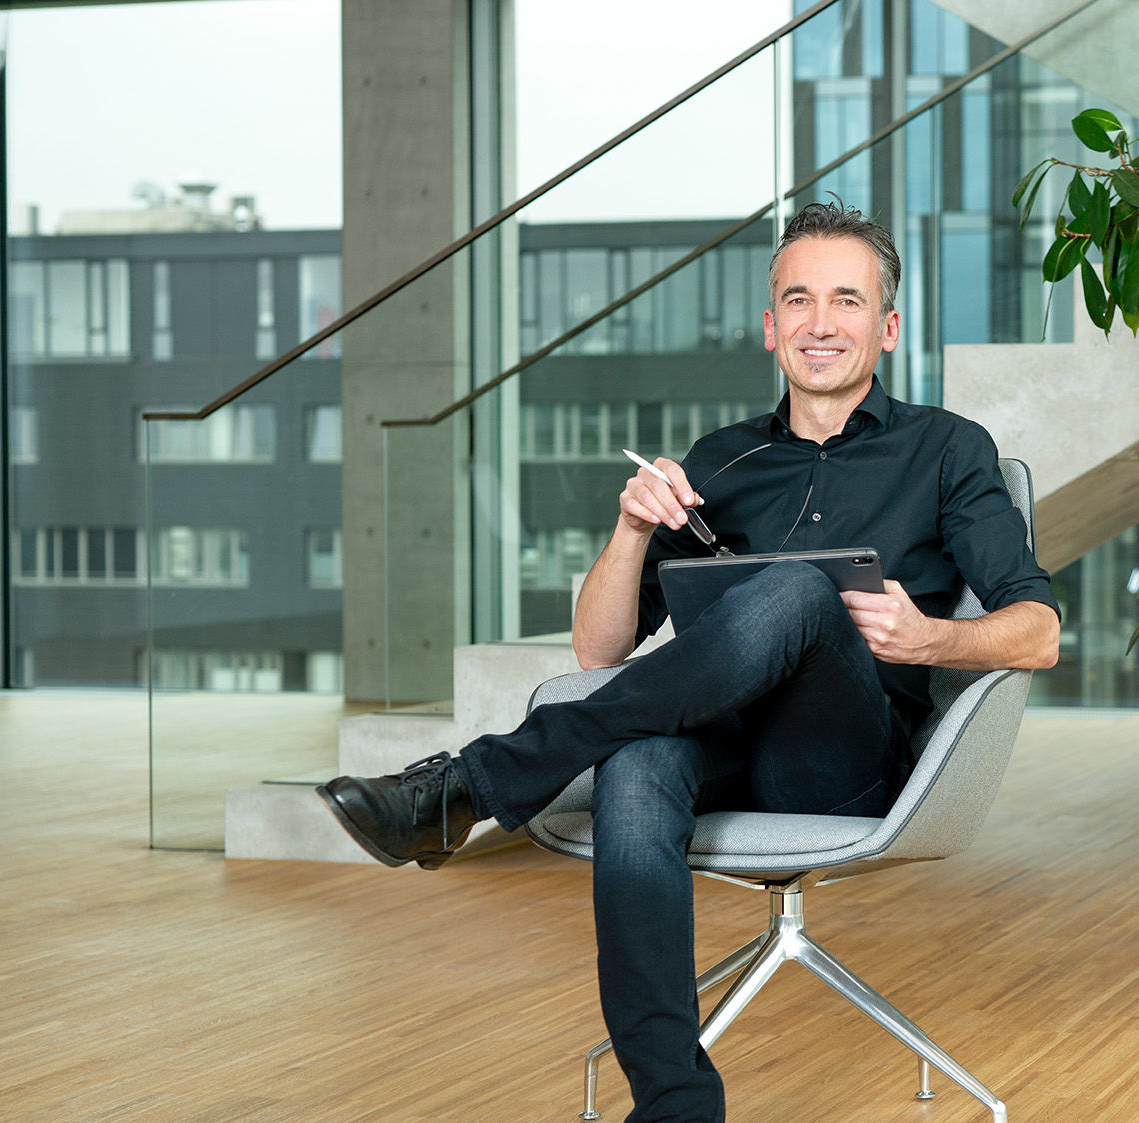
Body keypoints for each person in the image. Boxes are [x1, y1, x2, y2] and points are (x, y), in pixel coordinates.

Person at [317, 200, 1060, 1123]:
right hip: (720, 747)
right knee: (634, 760)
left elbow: (1038, 630)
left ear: (888, 326)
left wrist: (930, 638)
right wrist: (631, 529)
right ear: (769, 327)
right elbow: (599, 650)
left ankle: (472, 784)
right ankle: (674, 1104)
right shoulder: (721, 459)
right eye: (798, 300)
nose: (820, 324)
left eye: (846, 301)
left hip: (849, 764)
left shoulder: (947, 448)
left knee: (796, 591)